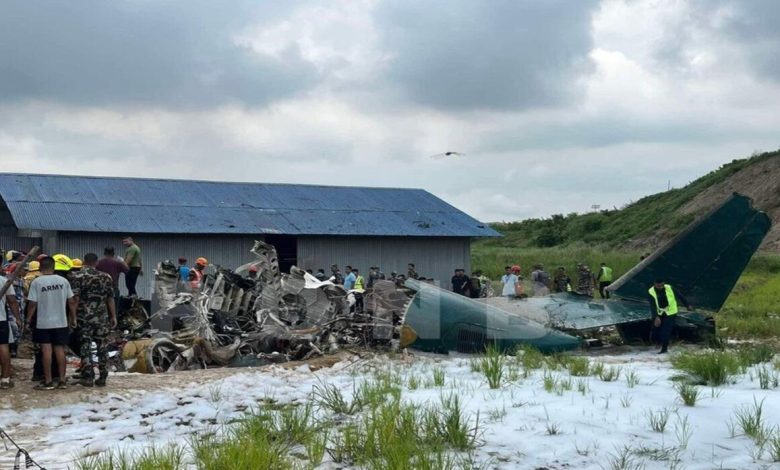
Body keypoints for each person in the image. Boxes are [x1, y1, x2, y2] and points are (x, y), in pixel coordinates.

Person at [25, 256, 77, 390]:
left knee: (46, 351)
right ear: (54, 267)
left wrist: (28, 319)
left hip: (43, 322)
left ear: (40, 268)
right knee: (60, 350)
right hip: (61, 322)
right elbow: (71, 301)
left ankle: (48, 381)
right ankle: (62, 380)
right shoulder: (63, 281)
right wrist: (73, 318)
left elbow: (32, 304)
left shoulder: (37, 282)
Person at [73, 253, 117, 387]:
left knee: (85, 346)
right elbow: (110, 298)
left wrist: (72, 316)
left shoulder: (78, 276)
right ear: (96, 262)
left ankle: (88, 376)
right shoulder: (106, 277)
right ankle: (103, 376)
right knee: (102, 345)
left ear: (84, 262)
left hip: (84, 317)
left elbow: (75, 299)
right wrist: (113, 316)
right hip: (102, 317)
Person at [648, 279, 692, 354]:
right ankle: (658, 341)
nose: (660, 287)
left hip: (671, 312)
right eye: (658, 286)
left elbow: (680, 296)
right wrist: (656, 317)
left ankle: (664, 349)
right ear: (654, 284)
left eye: (662, 285)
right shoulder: (651, 291)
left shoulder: (669, 288)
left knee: (665, 330)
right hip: (660, 312)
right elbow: (653, 305)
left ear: (664, 283)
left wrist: (687, 305)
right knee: (655, 329)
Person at [0, 269, 22, 389]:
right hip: (1, 319)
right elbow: (12, 301)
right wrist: (17, 318)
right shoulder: (4, 281)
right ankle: (5, 379)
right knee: (3, 346)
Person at [96, 247, 129, 312]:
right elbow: (128, 271)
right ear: (113, 254)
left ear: (104, 253)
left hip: (101, 289)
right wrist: (123, 262)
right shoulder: (117, 263)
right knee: (114, 310)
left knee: (101, 310)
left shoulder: (98, 263)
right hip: (114, 288)